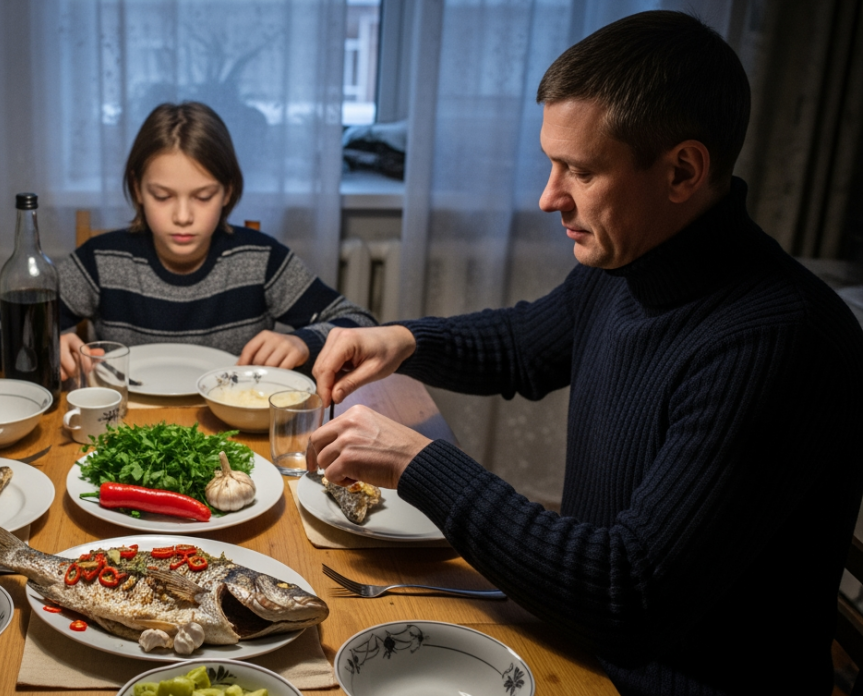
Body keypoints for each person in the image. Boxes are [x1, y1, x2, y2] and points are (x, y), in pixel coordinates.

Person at [307, 11, 863, 696]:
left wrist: (420, 465)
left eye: (582, 171)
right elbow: (525, 344)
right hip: (579, 638)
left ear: (683, 170)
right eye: (551, 163)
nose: (548, 197)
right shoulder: (635, 261)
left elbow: (627, 594)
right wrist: (403, 339)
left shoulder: (779, 342)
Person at [0, 101, 375, 380]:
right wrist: (47, 344)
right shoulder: (103, 261)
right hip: (121, 432)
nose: (183, 215)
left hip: (235, 439)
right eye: (163, 196)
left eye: (203, 196)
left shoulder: (260, 259)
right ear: (138, 190)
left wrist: (304, 343)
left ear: (228, 192)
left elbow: (362, 324)